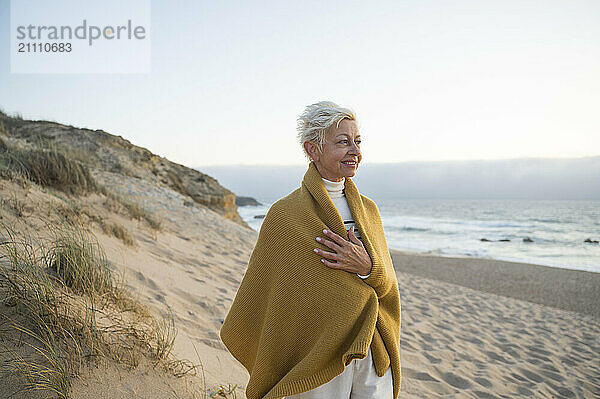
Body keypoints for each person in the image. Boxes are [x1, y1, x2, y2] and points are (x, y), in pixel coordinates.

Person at [220, 101, 401, 399]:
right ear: (312, 149)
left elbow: (387, 287)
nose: (354, 151)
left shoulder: (369, 211)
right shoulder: (285, 215)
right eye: (343, 142)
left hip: (370, 346)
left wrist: (368, 268)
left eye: (357, 141)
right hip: (317, 349)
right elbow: (273, 290)